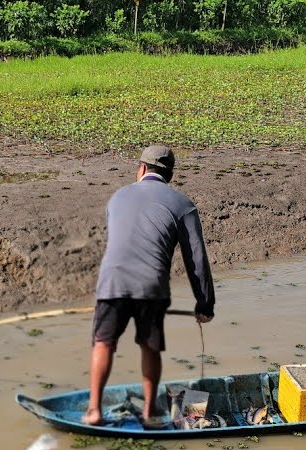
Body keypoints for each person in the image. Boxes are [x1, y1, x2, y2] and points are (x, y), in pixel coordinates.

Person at [82, 144, 215, 427]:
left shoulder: (117, 197)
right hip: (151, 285)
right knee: (150, 347)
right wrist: (205, 304)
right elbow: (197, 261)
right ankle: (150, 415)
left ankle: (93, 410)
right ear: (170, 176)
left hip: (112, 280)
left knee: (103, 343)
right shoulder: (182, 204)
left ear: (141, 169)